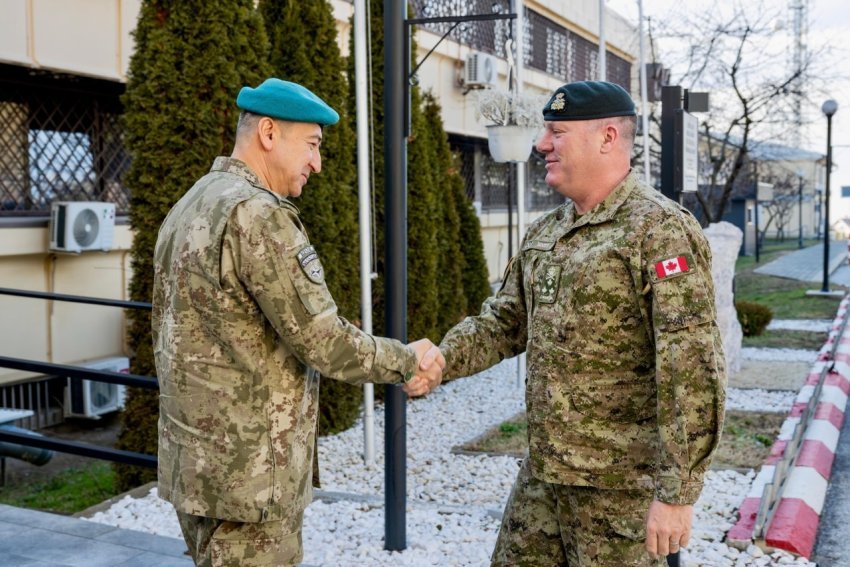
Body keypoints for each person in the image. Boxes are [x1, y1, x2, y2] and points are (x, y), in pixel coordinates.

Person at [426, 81, 726, 566]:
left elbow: (690, 367)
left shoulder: (659, 230)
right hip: (545, 476)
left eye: (557, 132)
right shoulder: (548, 231)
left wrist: (677, 493)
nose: (542, 143)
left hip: (620, 488)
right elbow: (506, 322)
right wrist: (441, 359)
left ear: (607, 137)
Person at [152, 78, 443, 566]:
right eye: (312, 144)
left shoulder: (192, 203)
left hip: (198, 467)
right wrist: (407, 360)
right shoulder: (257, 214)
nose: (317, 162)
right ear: (268, 132)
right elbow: (324, 340)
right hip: (250, 479)